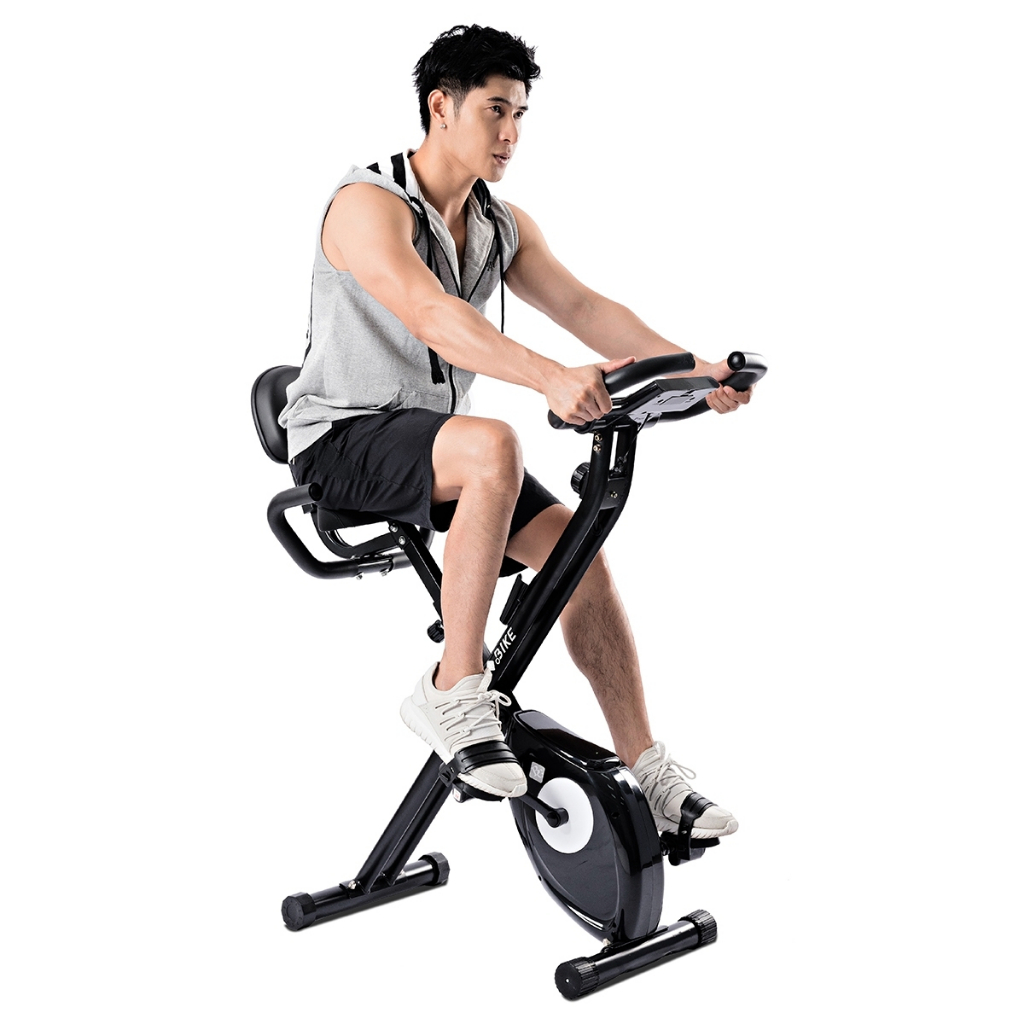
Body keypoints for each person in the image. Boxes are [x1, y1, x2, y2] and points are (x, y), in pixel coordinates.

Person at [279, 24, 750, 838]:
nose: (511, 133)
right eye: (495, 110)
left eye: (521, 114)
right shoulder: (367, 205)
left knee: (578, 555)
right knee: (492, 440)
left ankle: (648, 771)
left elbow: (585, 308)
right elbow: (430, 313)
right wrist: (550, 377)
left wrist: (694, 370)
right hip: (343, 440)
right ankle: (451, 689)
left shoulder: (501, 225)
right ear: (442, 107)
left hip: (440, 451)